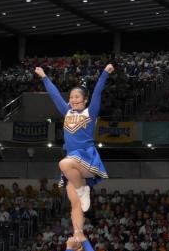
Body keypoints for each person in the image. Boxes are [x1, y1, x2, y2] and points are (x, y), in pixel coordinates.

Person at [35, 63, 113, 240]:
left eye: (77, 96)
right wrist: (44, 77)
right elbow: (55, 95)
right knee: (74, 202)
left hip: (86, 157)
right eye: (71, 97)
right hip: (73, 164)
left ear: (85, 100)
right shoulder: (67, 112)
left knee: (63, 163)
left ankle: (83, 189)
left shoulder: (90, 113)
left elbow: (98, 93)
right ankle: (78, 233)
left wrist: (104, 74)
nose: (73, 99)